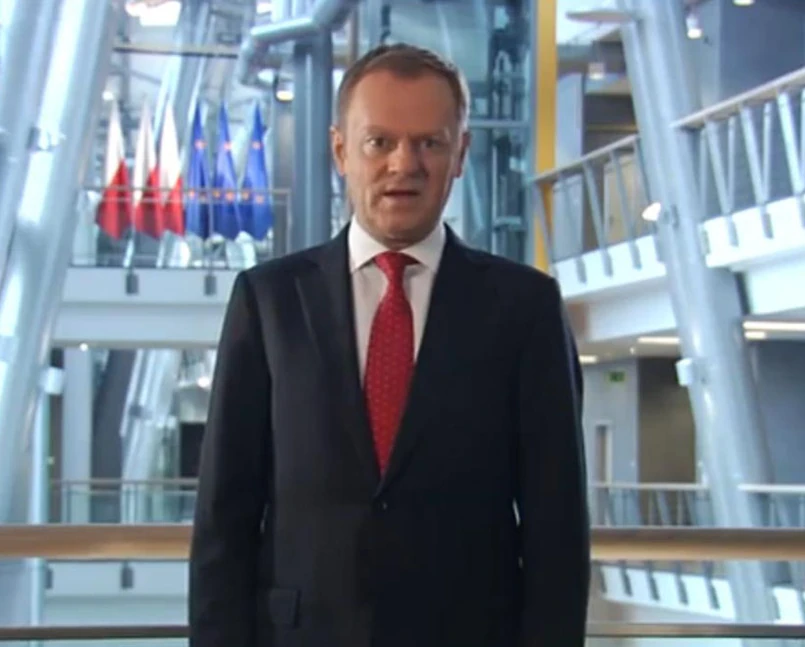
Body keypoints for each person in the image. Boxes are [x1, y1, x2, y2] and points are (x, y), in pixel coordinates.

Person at [189, 43, 590, 647]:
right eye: (380, 142)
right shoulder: (268, 301)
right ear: (340, 151)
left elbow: (556, 527)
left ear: (461, 154)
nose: (405, 164)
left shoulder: (525, 308)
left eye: (430, 142)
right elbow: (224, 516)